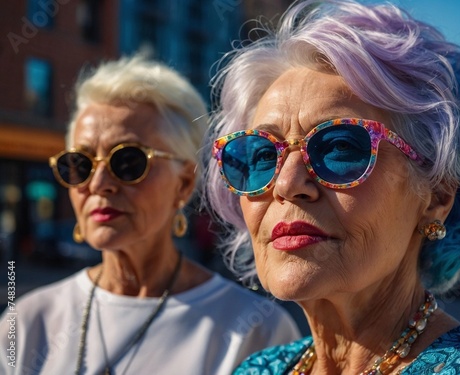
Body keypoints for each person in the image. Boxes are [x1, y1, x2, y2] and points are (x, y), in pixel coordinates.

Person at [202, 0, 460, 373]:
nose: (287, 184)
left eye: (341, 147)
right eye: (262, 155)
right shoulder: (259, 368)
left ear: (437, 195)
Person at [0, 53, 301, 375]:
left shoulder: (255, 332)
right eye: (80, 164)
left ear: (184, 183)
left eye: (128, 162)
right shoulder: (28, 322)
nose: (99, 184)